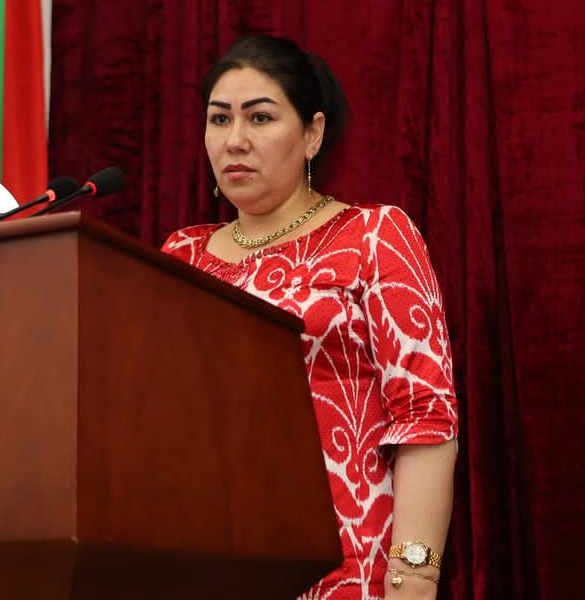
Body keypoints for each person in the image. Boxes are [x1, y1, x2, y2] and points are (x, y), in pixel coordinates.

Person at [161, 35, 458, 600]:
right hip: (204, 565)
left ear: (312, 134)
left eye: (260, 117)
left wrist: (414, 580)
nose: (235, 139)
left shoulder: (373, 237)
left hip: (348, 570)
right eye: (219, 119)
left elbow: (425, 419)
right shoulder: (181, 255)